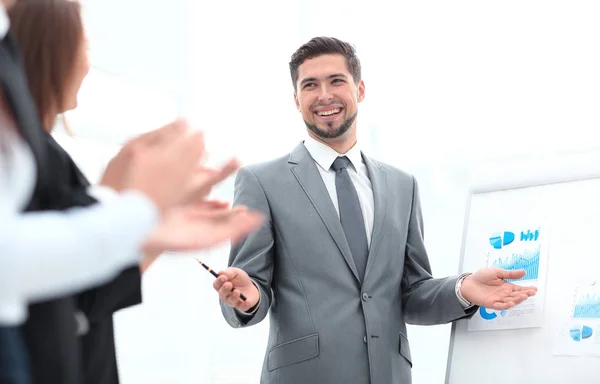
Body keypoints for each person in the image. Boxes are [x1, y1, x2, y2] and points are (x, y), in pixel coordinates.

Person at [213, 36, 538, 383]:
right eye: (310, 85)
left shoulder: (402, 186)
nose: (324, 95)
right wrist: (246, 298)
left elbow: (412, 294)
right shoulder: (261, 182)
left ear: (360, 89)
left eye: (336, 81)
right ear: (296, 99)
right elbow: (250, 288)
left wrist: (463, 288)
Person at [1, 0, 262, 383]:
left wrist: (144, 224)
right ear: (55, 48)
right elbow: (80, 294)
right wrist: (136, 217)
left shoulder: (44, 157)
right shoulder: (44, 161)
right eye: (86, 45)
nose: (88, 64)